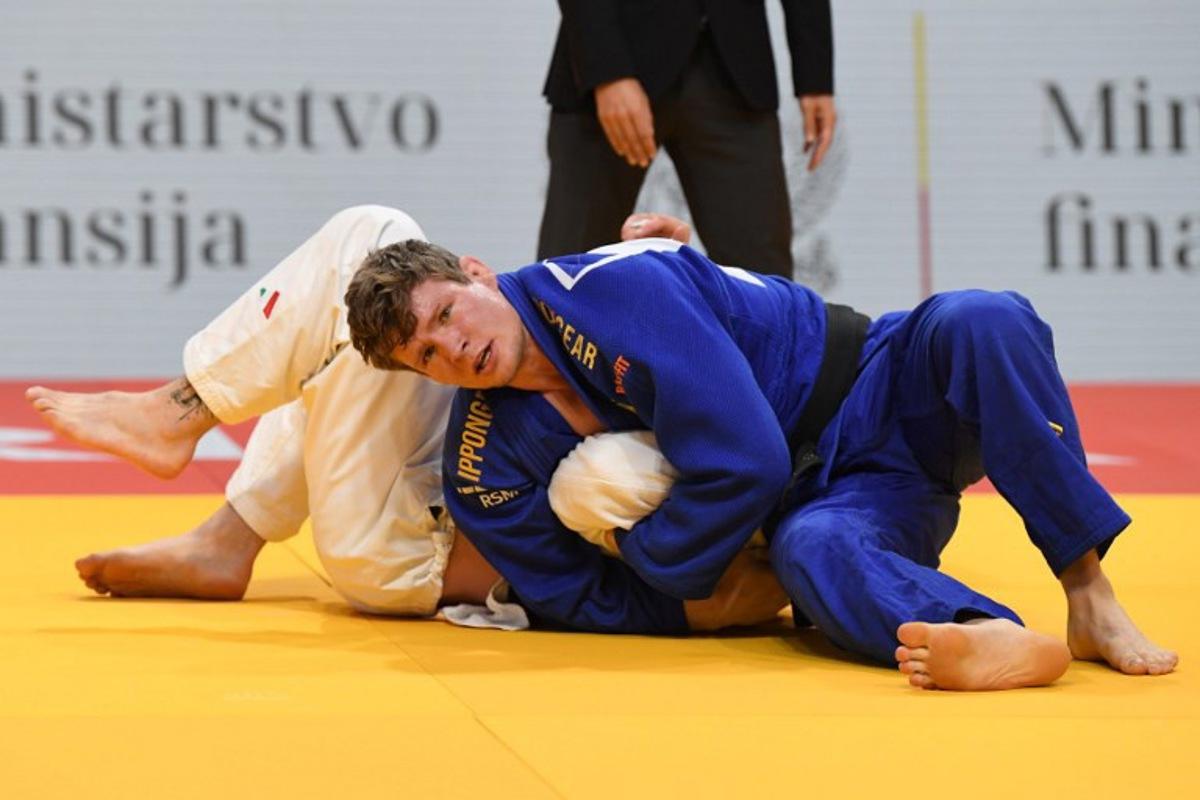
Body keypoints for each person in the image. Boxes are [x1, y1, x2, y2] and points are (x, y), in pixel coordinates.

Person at [347, 216, 1178, 690]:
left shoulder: (607, 288)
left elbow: (745, 461)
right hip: (828, 502)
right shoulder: (485, 462)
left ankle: (1088, 591)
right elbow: (570, 595)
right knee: (814, 550)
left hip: (883, 380)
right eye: (425, 354)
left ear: (478, 275)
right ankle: (985, 631)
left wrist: (660, 563)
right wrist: (688, 612)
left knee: (981, 318)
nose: (453, 349)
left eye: (449, 313)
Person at [25, 205, 783, 632]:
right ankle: (224, 530)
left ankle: (184, 431)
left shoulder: (740, 492)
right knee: (360, 322)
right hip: (440, 504)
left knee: (371, 243)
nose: (452, 339)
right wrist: (673, 274)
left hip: (406, 557)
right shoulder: (680, 391)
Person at [537, 0, 836, 278]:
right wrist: (606, 69)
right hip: (615, 56)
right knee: (568, 278)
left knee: (764, 288)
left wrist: (815, 76)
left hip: (735, 66)